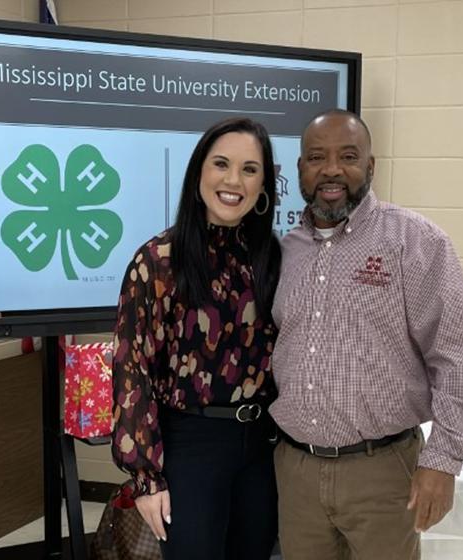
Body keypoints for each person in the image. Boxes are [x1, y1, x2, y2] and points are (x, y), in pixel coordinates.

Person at [269, 109, 463, 560]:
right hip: (296, 473)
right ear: (300, 171)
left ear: (370, 166)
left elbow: (458, 356)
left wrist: (443, 462)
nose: (331, 169)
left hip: (383, 471)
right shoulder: (283, 252)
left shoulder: (415, 241)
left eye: (348, 156)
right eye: (316, 157)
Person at [111, 117, 282, 560]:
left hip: (262, 445)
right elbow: (133, 370)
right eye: (220, 164)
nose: (233, 180)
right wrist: (146, 479)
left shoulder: (273, 260)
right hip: (191, 443)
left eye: (249, 169)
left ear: (264, 185)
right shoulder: (158, 261)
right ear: (198, 173)